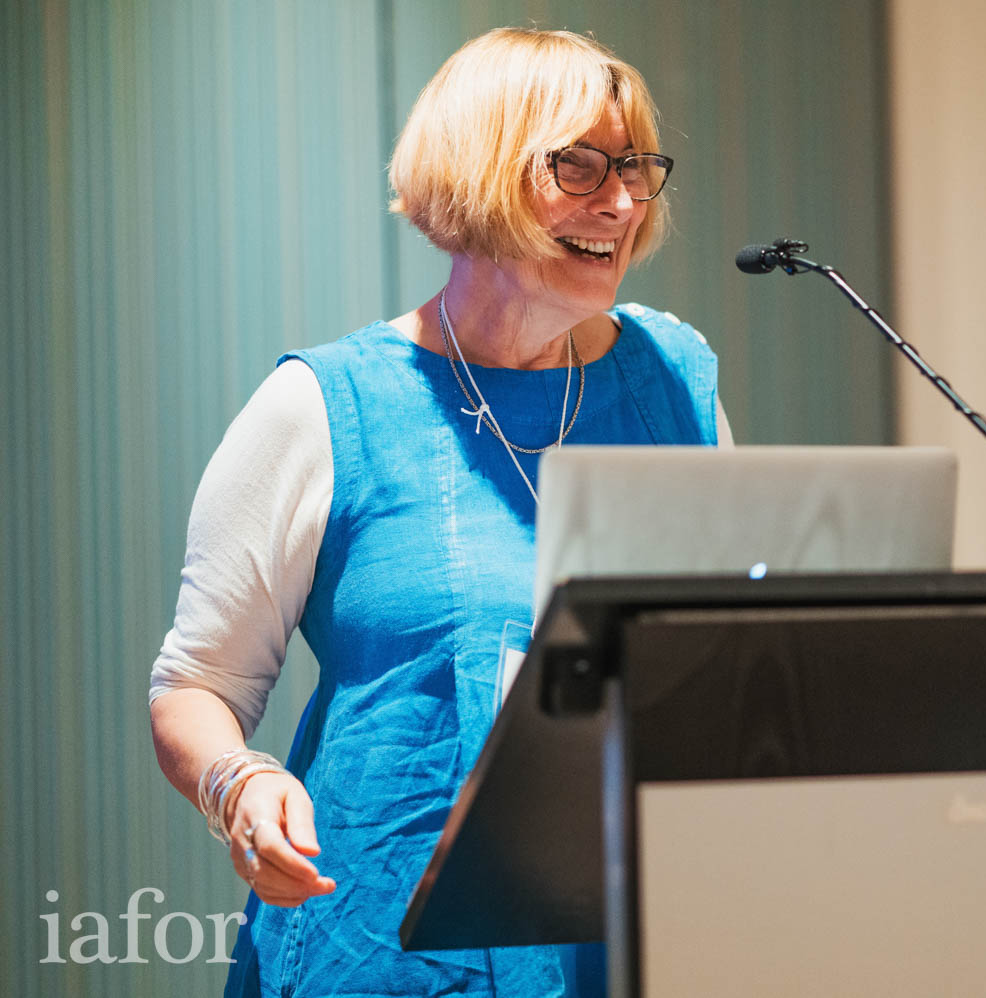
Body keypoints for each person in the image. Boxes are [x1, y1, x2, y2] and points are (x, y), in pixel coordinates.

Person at [149, 27, 727, 997]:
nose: (622, 203)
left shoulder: (674, 379)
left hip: (633, 939)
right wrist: (239, 784)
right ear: (482, 172)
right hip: (385, 945)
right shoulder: (323, 405)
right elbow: (195, 684)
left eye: (633, 166)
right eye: (580, 165)